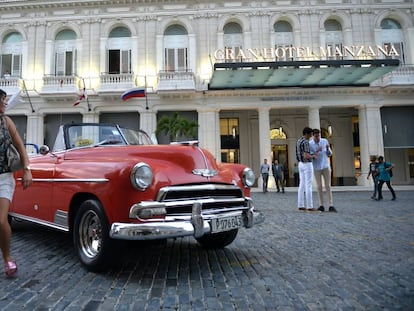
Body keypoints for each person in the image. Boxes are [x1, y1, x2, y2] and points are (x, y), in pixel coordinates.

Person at [0, 89, 33, 277]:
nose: (5, 103)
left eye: (5, 100)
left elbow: (20, 147)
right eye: (2, 100)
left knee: (1, 220)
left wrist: (27, 170)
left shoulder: (7, 122)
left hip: (4, 177)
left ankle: (7, 258)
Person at [309, 128, 336, 212]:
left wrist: (327, 149)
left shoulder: (324, 141)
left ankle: (331, 204)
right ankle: (321, 204)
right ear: (313, 136)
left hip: (325, 166)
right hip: (316, 167)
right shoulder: (310, 144)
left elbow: (329, 154)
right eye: (316, 136)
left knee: (328, 186)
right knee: (319, 186)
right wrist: (317, 151)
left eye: (319, 136)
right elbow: (310, 156)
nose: (318, 138)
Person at [296, 127, 319, 212]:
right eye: (310, 134)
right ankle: (310, 206)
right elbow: (306, 155)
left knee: (301, 184)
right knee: (308, 185)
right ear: (307, 134)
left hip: (300, 164)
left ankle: (300, 204)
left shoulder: (299, 141)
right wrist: (313, 156)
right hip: (307, 164)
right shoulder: (306, 142)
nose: (311, 136)